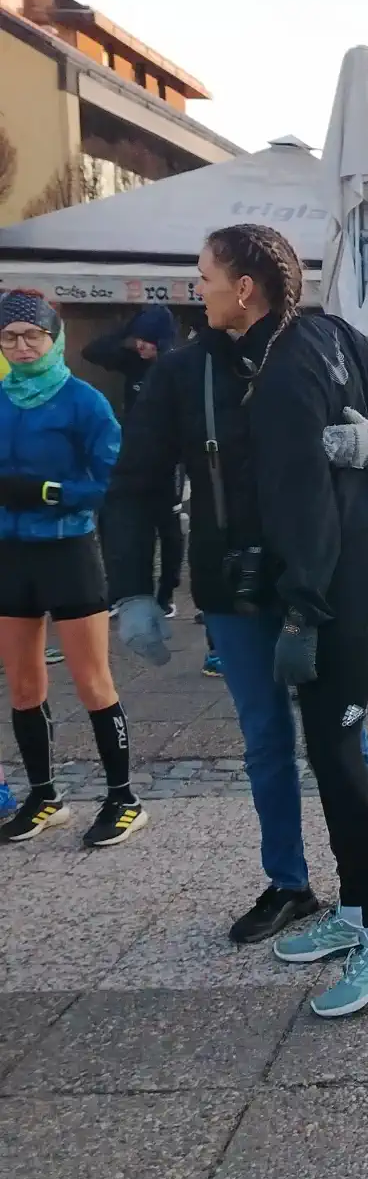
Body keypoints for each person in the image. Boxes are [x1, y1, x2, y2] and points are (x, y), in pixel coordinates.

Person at [109, 226, 368, 1010]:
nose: (199, 289)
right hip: (278, 585)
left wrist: (302, 614)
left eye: (206, 276)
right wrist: (137, 588)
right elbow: (137, 485)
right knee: (311, 746)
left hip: (328, 581)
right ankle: (352, 909)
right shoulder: (206, 369)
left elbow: (336, 485)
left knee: (338, 748)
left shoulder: (304, 354)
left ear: (246, 287)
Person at [0, 290, 145, 847]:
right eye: (9, 337)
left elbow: (112, 484)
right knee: (22, 687)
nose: (20, 346)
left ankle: (122, 797)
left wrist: (45, 490)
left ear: (53, 338)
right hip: (11, 555)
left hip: (69, 552)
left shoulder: (83, 402)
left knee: (92, 681)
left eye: (31, 335)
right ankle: (43, 796)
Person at [84, 307, 185, 617]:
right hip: (133, 461)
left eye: (148, 341)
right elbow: (91, 352)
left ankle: (165, 595)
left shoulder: (176, 369)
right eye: (138, 340)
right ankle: (125, 594)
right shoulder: (133, 364)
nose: (141, 346)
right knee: (127, 528)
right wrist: (127, 331)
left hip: (170, 463)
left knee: (169, 529)